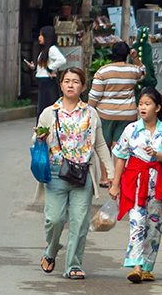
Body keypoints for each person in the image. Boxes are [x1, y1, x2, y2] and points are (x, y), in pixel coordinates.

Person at [36, 66, 113, 279]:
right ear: (61, 85)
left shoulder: (91, 113)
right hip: (56, 173)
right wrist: (40, 138)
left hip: (82, 174)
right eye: (67, 81)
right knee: (54, 219)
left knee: (80, 222)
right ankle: (51, 249)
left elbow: (100, 144)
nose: (71, 85)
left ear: (83, 87)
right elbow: (36, 140)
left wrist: (111, 173)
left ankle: (73, 265)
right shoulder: (49, 113)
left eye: (76, 81)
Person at [109, 88, 162, 283]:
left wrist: (158, 155)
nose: (142, 107)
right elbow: (120, 156)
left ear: (157, 107)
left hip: (158, 184)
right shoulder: (131, 129)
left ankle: (147, 266)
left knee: (154, 224)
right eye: (140, 104)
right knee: (137, 222)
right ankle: (136, 266)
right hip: (135, 183)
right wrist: (115, 184)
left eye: (147, 104)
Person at [88, 41, 145, 149]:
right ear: (127, 54)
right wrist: (135, 58)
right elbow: (143, 72)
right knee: (120, 147)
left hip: (106, 114)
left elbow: (94, 96)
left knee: (104, 147)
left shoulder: (103, 71)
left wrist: (88, 113)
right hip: (128, 114)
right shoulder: (133, 70)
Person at [29, 25, 67, 116]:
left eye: (41, 35)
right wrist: (35, 67)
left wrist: (50, 68)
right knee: (43, 107)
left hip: (47, 81)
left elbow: (62, 60)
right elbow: (44, 65)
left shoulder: (52, 49)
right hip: (42, 81)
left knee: (47, 107)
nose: (39, 37)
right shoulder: (44, 50)